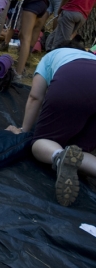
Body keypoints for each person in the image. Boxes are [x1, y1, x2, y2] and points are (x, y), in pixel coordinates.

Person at [7, 41, 96, 207]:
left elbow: (35, 96)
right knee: (81, 150)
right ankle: (70, 157)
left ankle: (58, 156)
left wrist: (24, 130)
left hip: (74, 82)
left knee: (42, 141)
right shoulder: (90, 57)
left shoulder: (50, 56)